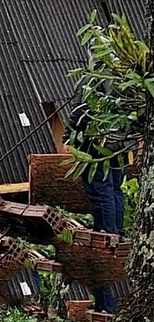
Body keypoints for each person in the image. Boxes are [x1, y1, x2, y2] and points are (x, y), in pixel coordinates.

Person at [65, 102, 129, 314]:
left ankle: (108, 230)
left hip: (96, 151)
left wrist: (71, 138)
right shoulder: (122, 95)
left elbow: (77, 117)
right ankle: (114, 229)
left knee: (101, 191)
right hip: (117, 148)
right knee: (113, 189)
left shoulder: (93, 97)